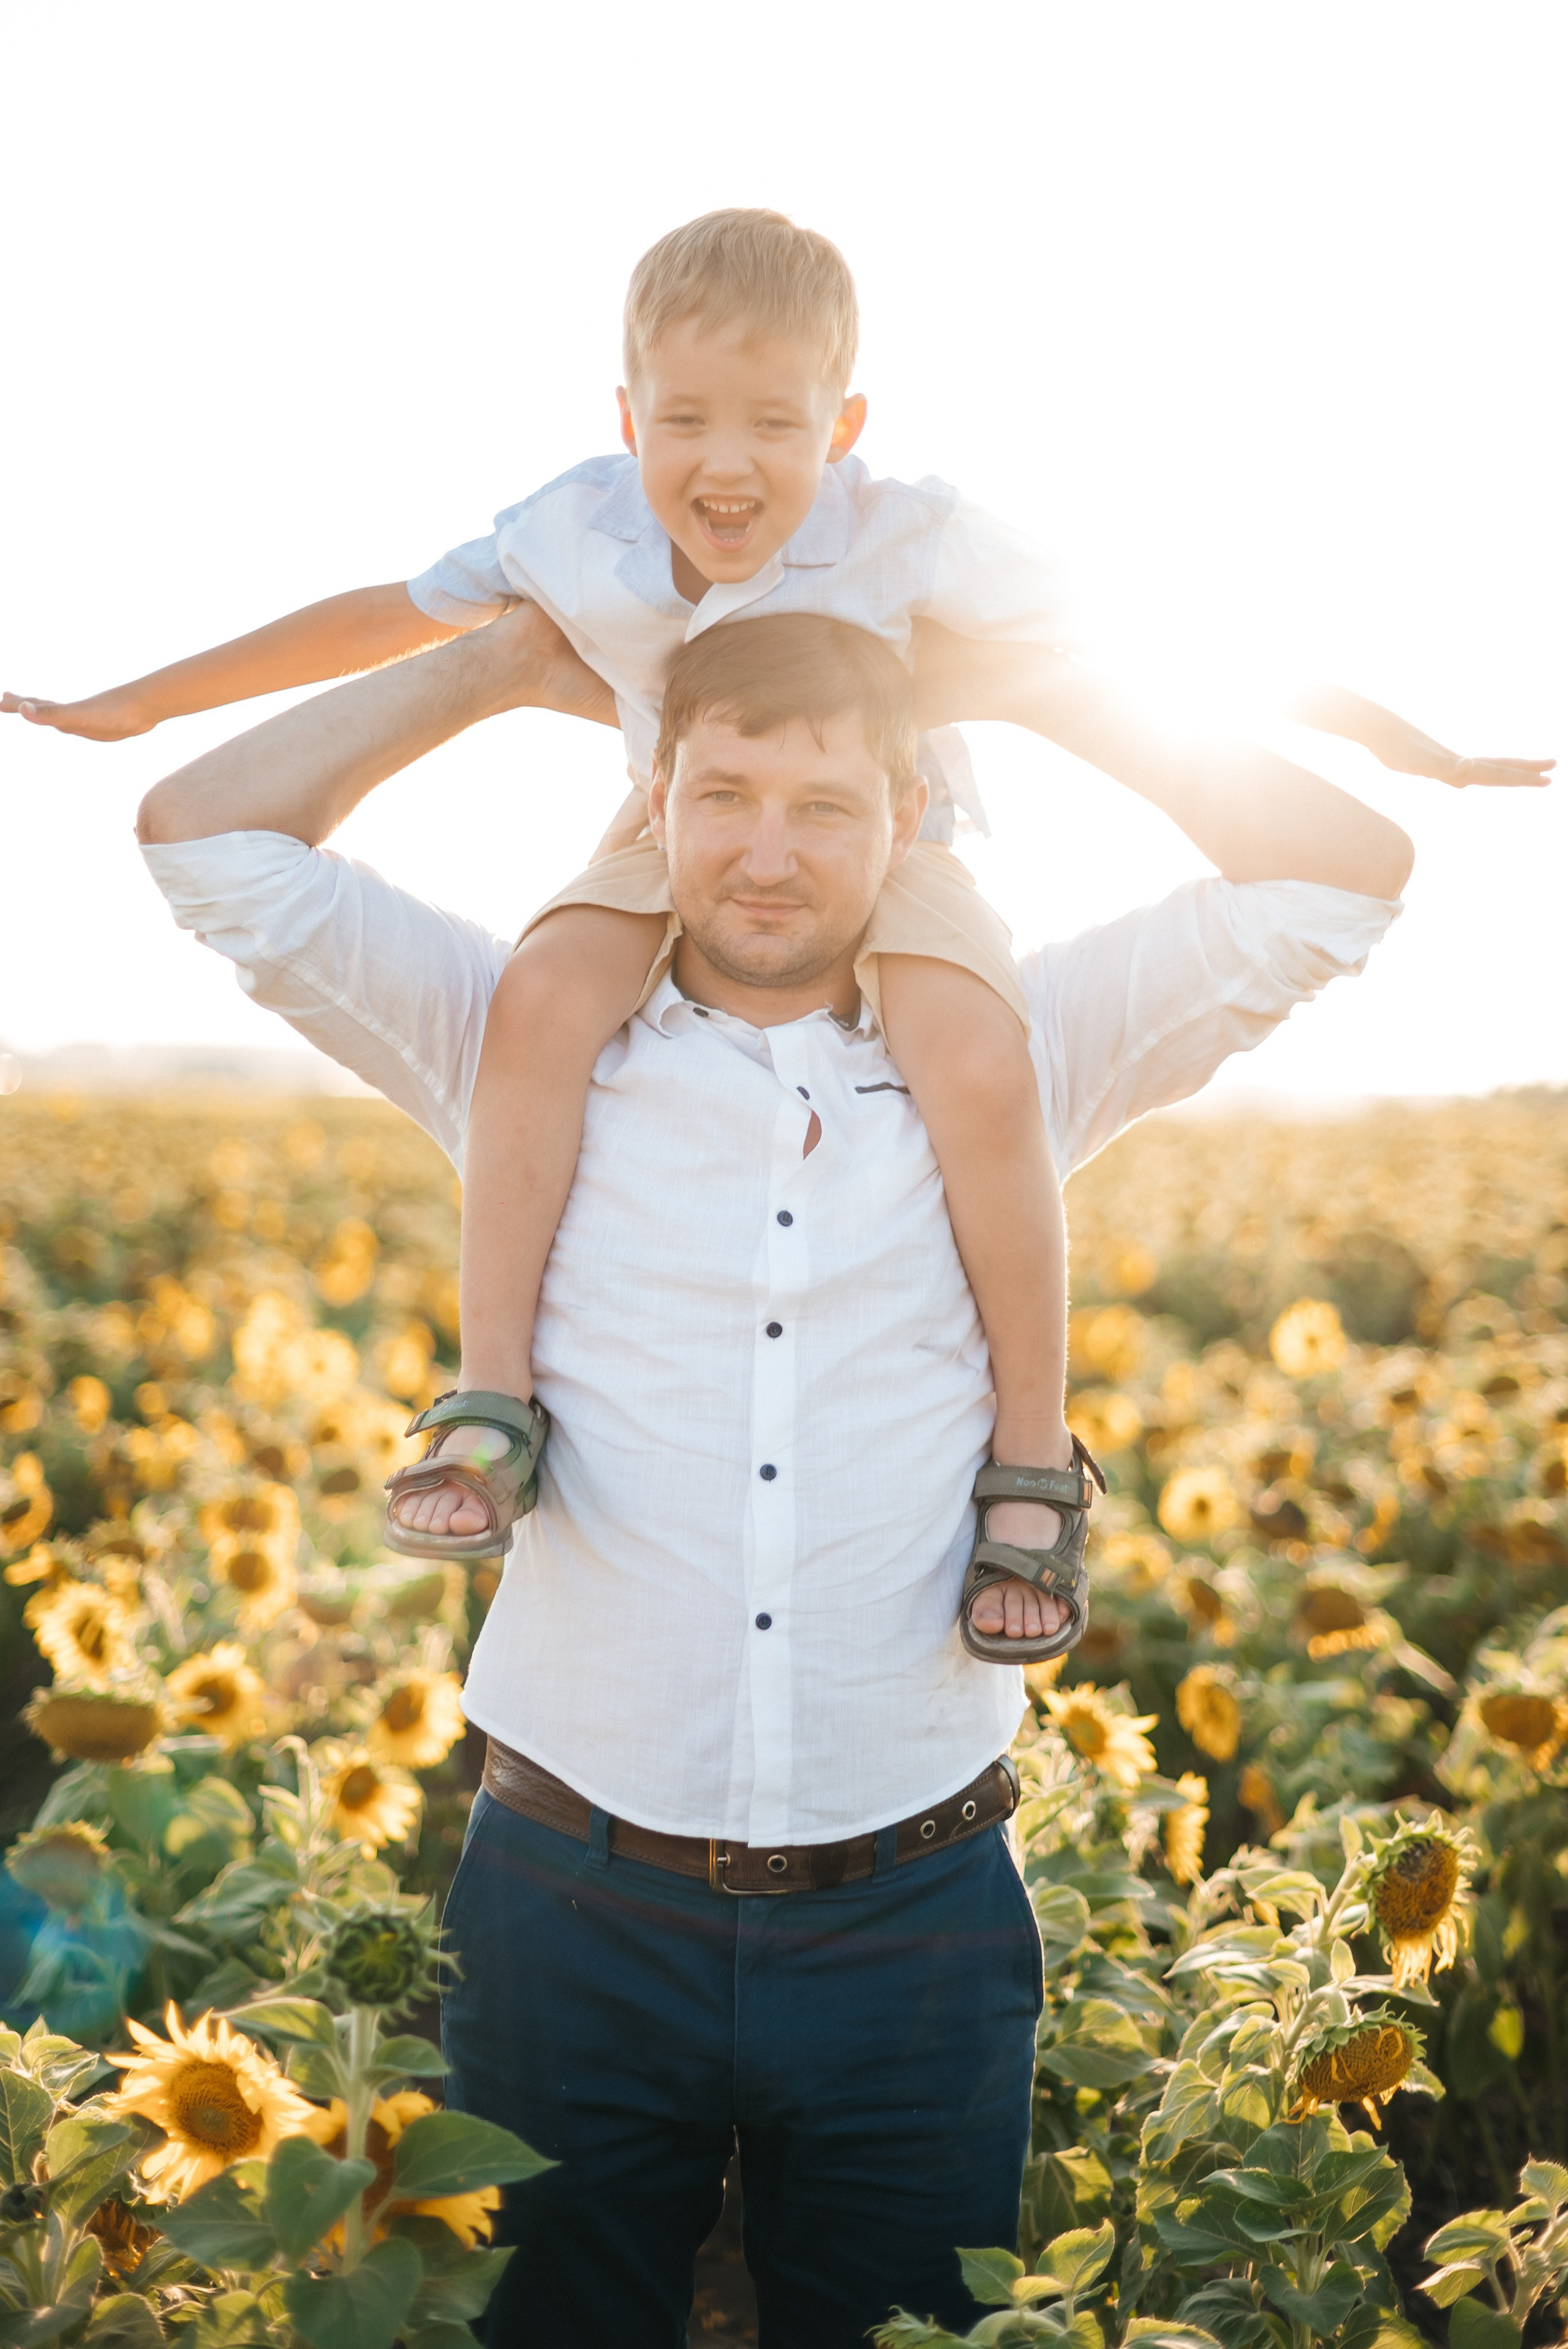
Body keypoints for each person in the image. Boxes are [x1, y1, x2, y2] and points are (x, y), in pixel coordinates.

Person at [9, 212, 1551, 1664]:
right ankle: (488, 1395)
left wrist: (1400, 740)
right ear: (625, 420)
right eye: (685, 419)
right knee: (538, 999)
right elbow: (374, 618)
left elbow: (1168, 634)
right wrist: (142, 699)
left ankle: (1028, 1446)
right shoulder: (573, 532)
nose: (727, 464)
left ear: (845, 426)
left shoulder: (916, 535)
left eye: (774, 424)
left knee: (982, 1063)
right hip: (644, 834)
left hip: (910, 847)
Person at [137, 598, 1416, 2343]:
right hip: (570, 1908)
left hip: (913, 1920)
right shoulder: (525, 1037)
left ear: (909, 819)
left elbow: (1345, 869)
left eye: (826, 805)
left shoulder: (1020, 1050)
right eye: (724, 790)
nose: (764, 851)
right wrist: (495, 666)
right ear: (653, 798)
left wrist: (1042, 682)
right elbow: (205, 835)